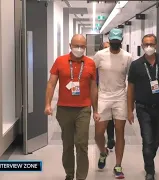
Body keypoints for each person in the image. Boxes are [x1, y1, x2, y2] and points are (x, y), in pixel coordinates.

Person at [44, 34, 100, 180]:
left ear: (86, 47)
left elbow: (94, 87)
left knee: (81, 144)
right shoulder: (60, 61)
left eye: (82, 46)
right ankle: (69, 174)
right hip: (64, 109)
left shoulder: (90, 63)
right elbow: (51, 83)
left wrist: (96, 110)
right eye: (76, 46)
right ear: (70, 45)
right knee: (67, 145)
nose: (79, 49)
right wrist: (48, 104)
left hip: (83, 109)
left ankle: (81, 177)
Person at [127, 34, 159, 180]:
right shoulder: (136, 65)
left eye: (151, 44)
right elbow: (131, 88)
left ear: (156, 45)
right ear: (142, 46)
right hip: (143, 107)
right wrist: (130, 109)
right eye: (146, 44)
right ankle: (150, 171)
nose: (149, 47)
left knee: (155, 140)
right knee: (147, 139)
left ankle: (149, 158)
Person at [93, 28, 133, 179]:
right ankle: (103, 152)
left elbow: (131, 82)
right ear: (109, 41)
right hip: (103, 96)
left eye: (118, 41)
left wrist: (130, 106)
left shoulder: (127, 57)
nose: (115, 44)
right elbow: (91, 75)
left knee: (119, 131)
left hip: (120, 97)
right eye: (113, 41)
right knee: (98, 133)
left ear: (121, 41)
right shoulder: (100, 56)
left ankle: (118, 165)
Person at [99, 41, 116, 151]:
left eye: (109, 47)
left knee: (111, 118)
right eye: (105, 48)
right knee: (103, 120)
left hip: (115, 95)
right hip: (102, 94)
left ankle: (110, 138)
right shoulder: (98, 61)